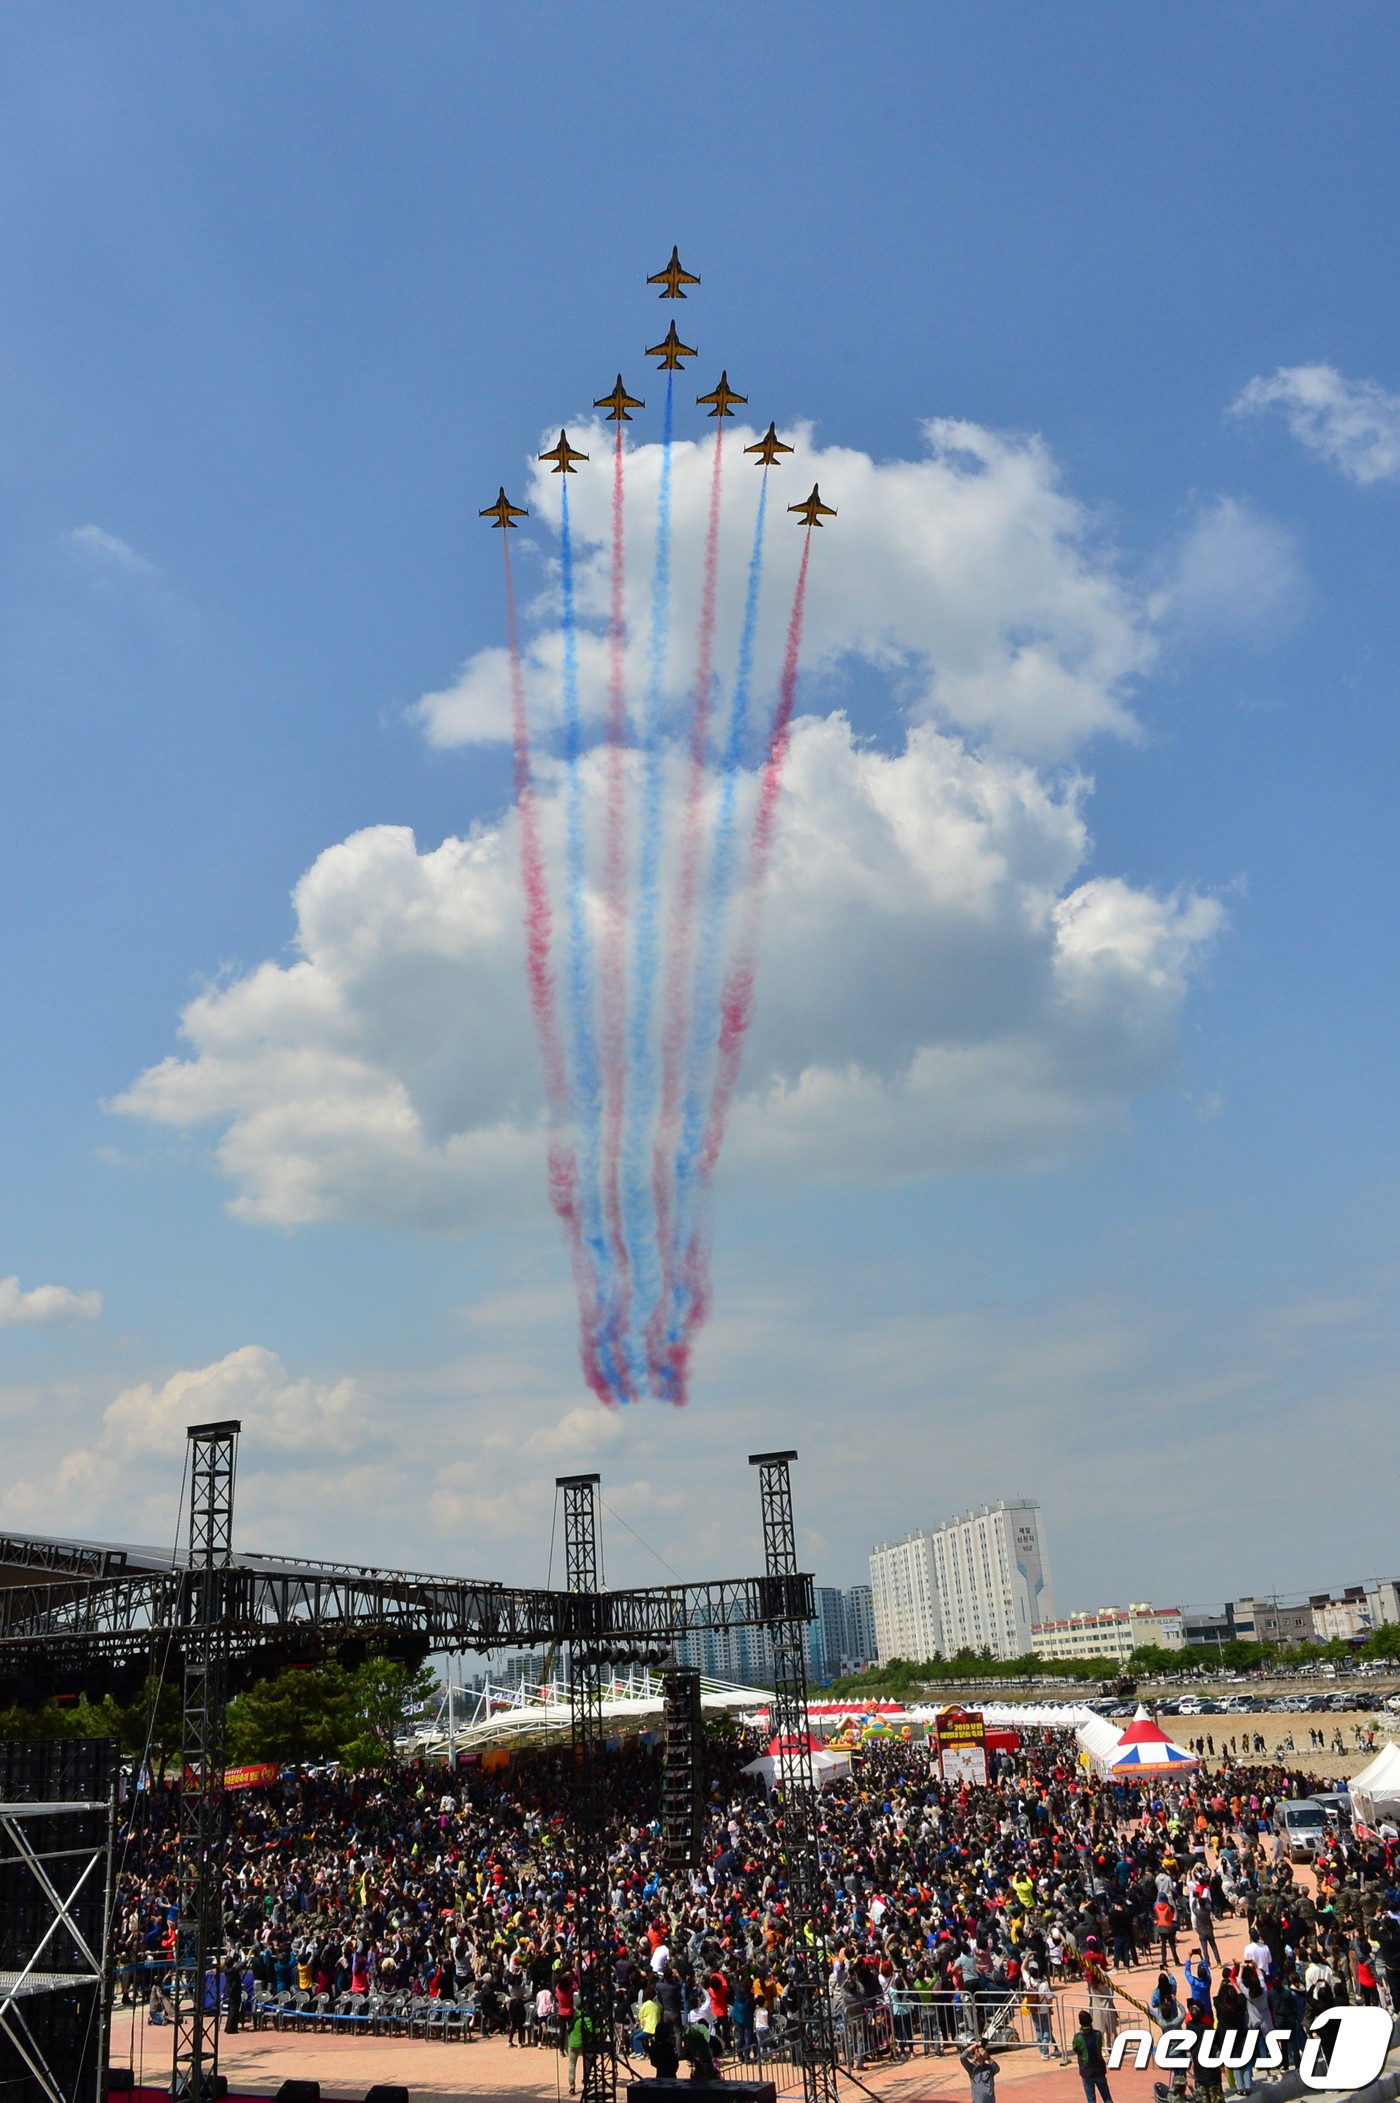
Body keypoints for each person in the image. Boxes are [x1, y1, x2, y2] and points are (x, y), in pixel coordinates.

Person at [1071, 2009, 1114, 2103]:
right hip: (1099, 2069)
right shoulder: (1098, 2034)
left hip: (1087, 2070)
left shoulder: (1078, 2037)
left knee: (1091, 2099)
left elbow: (1075, 2048)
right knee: (1107, 2097)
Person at [959, 2038, 1000, 2103]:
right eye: (977, 2052)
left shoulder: (989, 2068)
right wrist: (974, 2045)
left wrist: (988, 2057)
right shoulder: (972, 2068)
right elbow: (962, 2058)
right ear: (974, 2055)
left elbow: (997, 2069)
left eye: (981, 2052)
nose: (980, 2053)